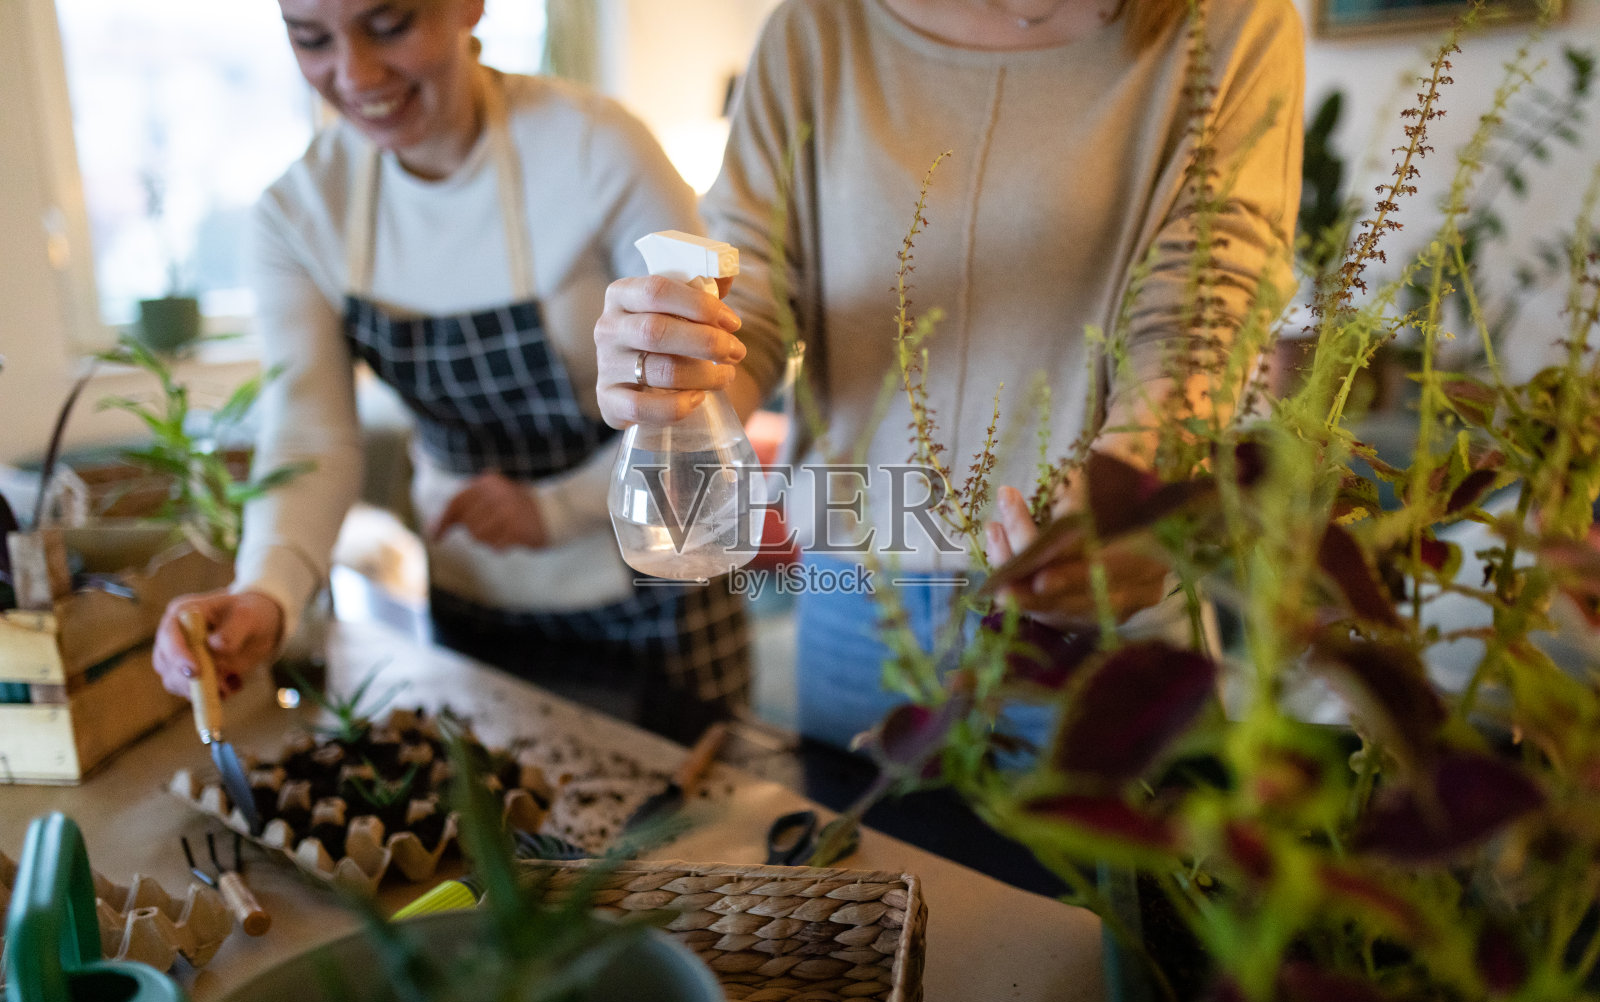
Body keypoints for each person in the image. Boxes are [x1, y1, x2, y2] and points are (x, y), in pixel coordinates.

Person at [593, 0, 1304, 750]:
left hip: (1097, 603)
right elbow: (754, 294)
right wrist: (676, 365)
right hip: (856, 595)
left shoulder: (1231, 25)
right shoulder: (815, 31)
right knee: (865, 863)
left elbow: (1197, 318)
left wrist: (1128, 496)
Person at [151, 0, 750, 743]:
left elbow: (711, 390)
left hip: (659, 586)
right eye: (311, 40)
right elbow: (309, 434)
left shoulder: (596, 148)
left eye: (390, 24)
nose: (355, 73)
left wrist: (555, 508)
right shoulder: (301, 213)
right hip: (477, 596)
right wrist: (265, 592)